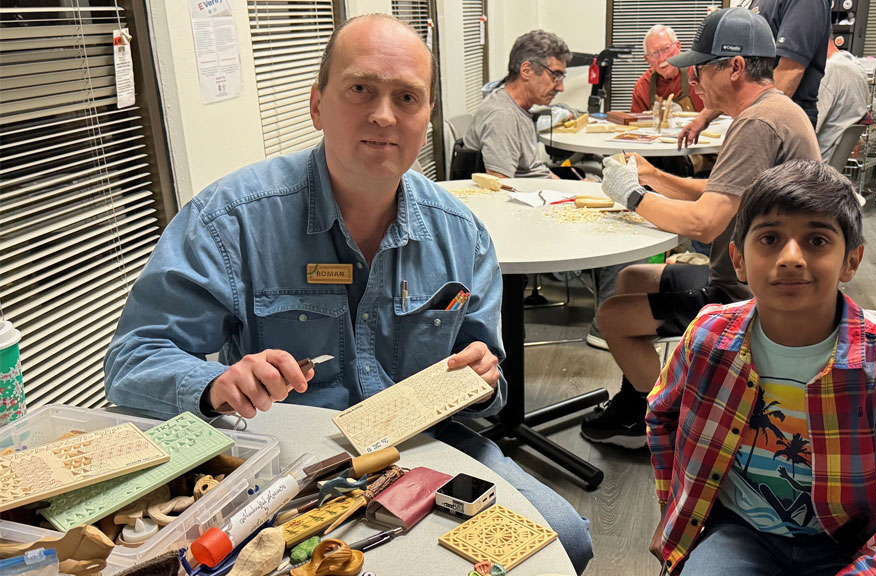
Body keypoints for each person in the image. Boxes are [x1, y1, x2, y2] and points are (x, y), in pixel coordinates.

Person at [103, 14, 593, 574]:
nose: (384, 115)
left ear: (426, 115)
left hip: (424, 448)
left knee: (566, 537)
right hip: (284, 462)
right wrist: (215, 382)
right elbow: (133, 359)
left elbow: (492, 386)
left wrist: (482, 383)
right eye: (360, 89)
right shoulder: (230, 220)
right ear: (318, 104)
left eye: (407, 97)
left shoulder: (462, 235)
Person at [647, 160, 876, 575]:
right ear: (738, 259)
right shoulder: (708, 336)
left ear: (851, 261)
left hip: (850, 541)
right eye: (769, 238)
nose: (790, 258)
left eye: (817, 240)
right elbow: (661, 413)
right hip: (740, 531)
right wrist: (673, 507)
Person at [581, 7, 821, 449]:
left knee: (611, 317)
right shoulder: (772, 111)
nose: (695, 83)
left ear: (735, 67)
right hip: (759, 277)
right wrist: (654, 175)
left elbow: (706, 223)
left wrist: (630, 195)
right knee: (633, 277)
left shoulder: (756, 125)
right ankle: (638, 399)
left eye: (702, 70)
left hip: (756, 295)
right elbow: (720, 190)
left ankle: (674, 425)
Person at [679, 0, 830, 145]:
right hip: (759, 116)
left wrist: (753, 123)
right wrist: (703, 118)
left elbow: (791, 69)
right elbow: (740, 78)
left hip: (779, 121)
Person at [462, 30, 570, 179]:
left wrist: (573, 190)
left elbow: (534, 169)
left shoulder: (519, 108)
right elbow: (500, 189)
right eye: (555, 76)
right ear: (526, 70)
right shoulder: (503, 116)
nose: (560, 87)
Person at [816, 36, 869, 163]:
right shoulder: (854, 65)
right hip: (829, 166)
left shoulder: (829, 71)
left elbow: (806, 130)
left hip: (811, 168)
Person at [630, 24, 704, 114]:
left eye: (666, 49)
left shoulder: (698, 75)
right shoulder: (643, 86)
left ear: (678, 46)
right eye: (655, 53)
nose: (662, 58)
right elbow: (636, 124)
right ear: (647, 59)